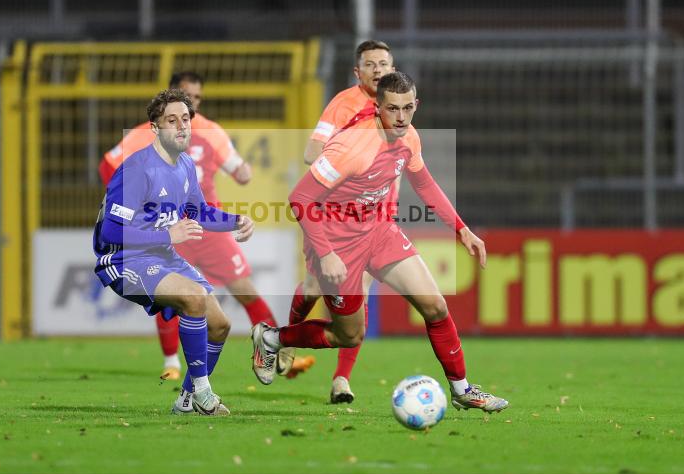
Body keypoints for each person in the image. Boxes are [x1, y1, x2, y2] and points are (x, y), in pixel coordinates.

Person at [251, 72, 509, 413]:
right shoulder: (351, 145)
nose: (400, 117)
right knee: (349, 336)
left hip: (379, 230)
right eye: (392, 109)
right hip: (338, 243)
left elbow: (425, 184)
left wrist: (461, 229)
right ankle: (271, 338)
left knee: (435, 307)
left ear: (416, 105)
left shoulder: (410, 137)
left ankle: (462, 390)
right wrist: (326, 253)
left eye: (407, 108)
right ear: (377, 107)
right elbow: (301, 198)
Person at [100, 72, 314, 380]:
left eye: (196, 99)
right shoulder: (147, 135)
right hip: (170, 230)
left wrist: (241, 183)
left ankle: (275, 359)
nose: (191, 105)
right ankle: (172, 364)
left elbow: (234, 173)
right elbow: (109, 165)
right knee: (176, 298)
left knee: (244, 291)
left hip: (206, 227)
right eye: (185, 96)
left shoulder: (210, 132)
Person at [93, 88, 255, 416]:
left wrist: (234, 221)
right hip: (123, 259)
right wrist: (167, 232)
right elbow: (111, 231)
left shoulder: (184, 166)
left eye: (185, 119)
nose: (181, 126)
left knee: (220, 324)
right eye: (171, 120)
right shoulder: (138, 169)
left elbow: (199, 212)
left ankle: (184, 400)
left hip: (159, 255)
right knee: (194, 297)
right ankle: (204, 394)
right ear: (154, 128)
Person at [284, 40, 395, 403]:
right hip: (334, 218)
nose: (378, 69)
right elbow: (311, 153)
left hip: (375, 219)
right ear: (357, 72)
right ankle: (285, 339)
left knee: (358, 297)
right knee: (315, 286)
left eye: (384, 63)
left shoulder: (396, 106)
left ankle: (341, 381)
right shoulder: (344, 104)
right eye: (370, 64)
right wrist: (351, 163)